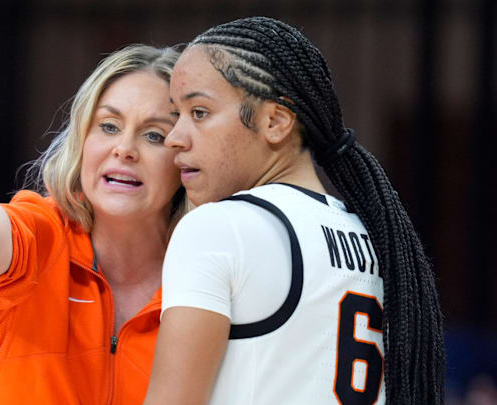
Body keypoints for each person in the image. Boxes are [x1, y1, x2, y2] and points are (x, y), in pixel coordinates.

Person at [142, 16, 444, 405]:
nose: (174, 138)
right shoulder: (376, 238)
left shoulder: (217, 229)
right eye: (176, 114)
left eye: (199, 112)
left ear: (275, 121)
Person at [0, 44, 188, 404]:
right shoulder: (45, 233)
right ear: (82, 140)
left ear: (185, 159)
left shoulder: (201, 276)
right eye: (109, 126)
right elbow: (10, 230)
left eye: (154, 135)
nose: (125, 148)